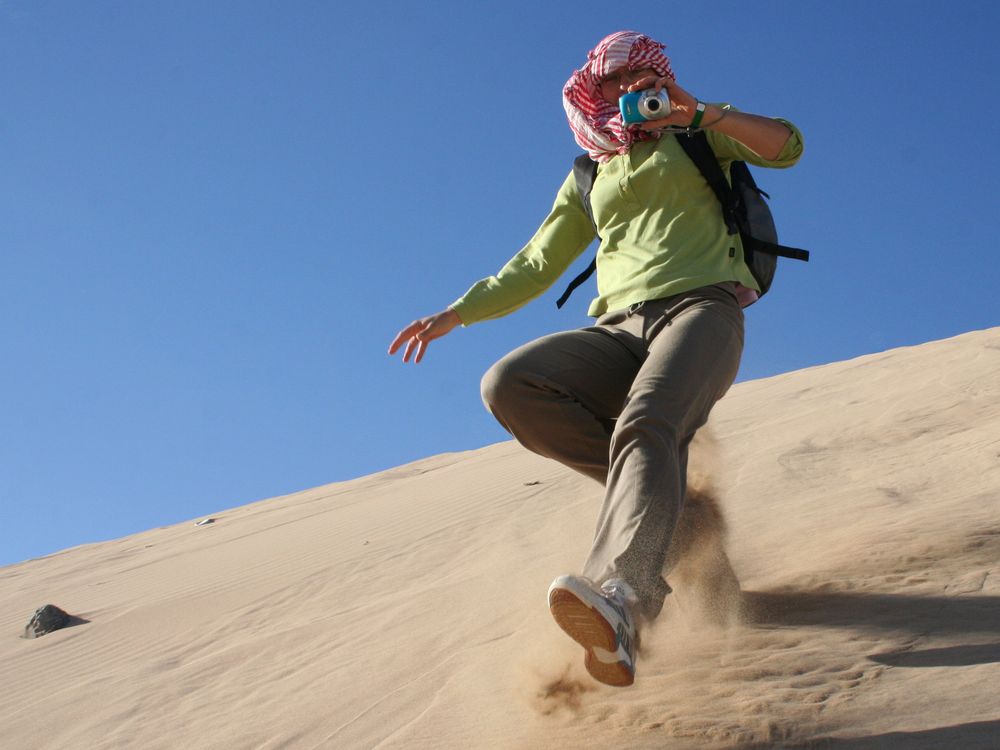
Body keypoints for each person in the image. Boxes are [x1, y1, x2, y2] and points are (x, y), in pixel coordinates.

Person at [388, 30, 804, 687]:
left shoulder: (696, 132)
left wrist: (698, 111)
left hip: (702, 311)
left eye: (646, 74)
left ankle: (626, 597)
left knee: (648, 423)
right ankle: (680, 516)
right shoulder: (590, 171)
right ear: (593, 87)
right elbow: (537, 262)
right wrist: (457, 312)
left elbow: (787, 145)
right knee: (511, 384)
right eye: (617, 78)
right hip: (617, 328)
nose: (632, 87)